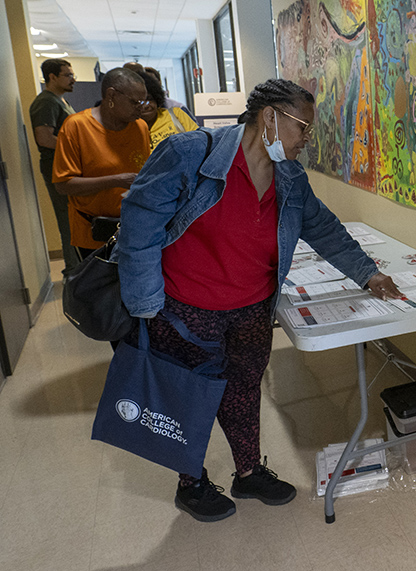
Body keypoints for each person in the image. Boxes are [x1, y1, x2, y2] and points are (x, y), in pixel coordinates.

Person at [116, 78, 401, 523]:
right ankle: (190, 484)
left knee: (244, 390)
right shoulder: (189, 154)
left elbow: (323, 228)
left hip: (252, 308)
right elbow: (139, 226)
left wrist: (368, 273)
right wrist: (146, 306)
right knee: (189, 396)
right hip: (185, 308)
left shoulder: (289, 176)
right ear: (270, 117)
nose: (307, 140)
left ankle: (248, 472)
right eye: (303, 128)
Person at [52, 68, 151, 262]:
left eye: (143, 102)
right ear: (111, 95)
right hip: (93, 231)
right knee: (100, 280)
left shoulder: (140, 127)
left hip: (133, 227)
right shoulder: (76, 126)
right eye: (135, 102)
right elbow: (63, 185)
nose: (141, 108)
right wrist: (116, 180)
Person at [29, 58, 79, 271]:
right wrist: (78, 149)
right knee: (68, 220)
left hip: (69, 166)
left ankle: (79, 266)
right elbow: (44, 138)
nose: (73, 79)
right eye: (68, 75)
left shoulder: (60, 101)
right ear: (52, 77)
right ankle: (74, 270)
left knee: (75, 218)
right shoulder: (46, 102)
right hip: (58, 168)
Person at [138, 69, 198, 150]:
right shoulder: (129, 129)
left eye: (150, 99)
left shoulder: (176, 114)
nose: (146, 105)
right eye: (140, 102)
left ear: (156, 99)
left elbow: (199, 141)